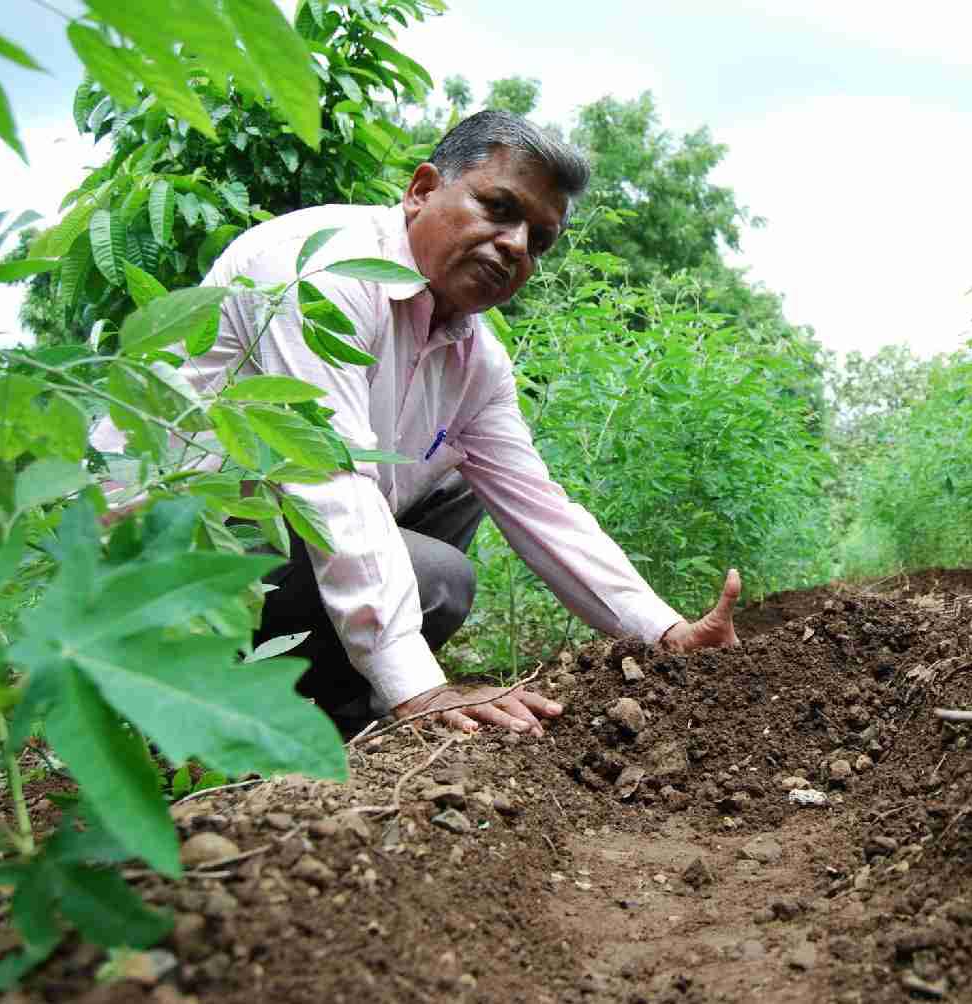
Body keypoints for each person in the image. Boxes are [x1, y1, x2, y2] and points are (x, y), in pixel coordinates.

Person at [104, 111, 741, 736]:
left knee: (462, 483)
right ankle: (273, 703)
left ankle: (337, 703)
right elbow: (331, 477)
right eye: (498, 208)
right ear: (422, 191)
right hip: (163, 560)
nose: (516, 245)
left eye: (538, 241)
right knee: (438, 576)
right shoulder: (322, 268)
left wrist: (665, 633)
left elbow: (538, 507)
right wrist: (420, 686)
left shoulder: (476, 357)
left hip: (272, 549)